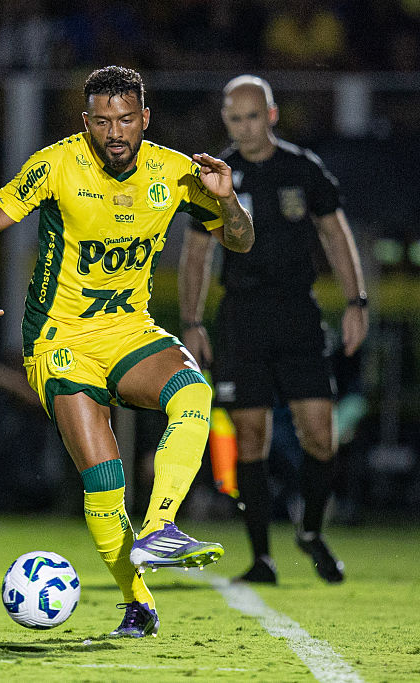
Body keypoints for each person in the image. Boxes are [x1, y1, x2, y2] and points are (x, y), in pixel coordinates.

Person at [0, 65, 254, 638]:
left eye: (125, 119)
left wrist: (229, 201)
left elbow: (241, 240)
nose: (115, 132)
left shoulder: (176, 172)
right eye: (102, 121)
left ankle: (161, 526)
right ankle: (137, 602)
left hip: (128, 331)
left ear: (145, 118)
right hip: (60, 339)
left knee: (193, 389)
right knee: (105, 481)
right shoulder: (56, 164)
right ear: (86, 123)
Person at [178, 75, 368, 585]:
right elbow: (197, 252)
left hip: (298, 314)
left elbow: (335, 233)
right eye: (234, 118)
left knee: (320, 436)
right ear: (226, 120)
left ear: (272, 115)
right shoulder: (217, 176)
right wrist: (193, 321)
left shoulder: (302, 169)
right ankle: (262, 557)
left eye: (252, 116)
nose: (243, 127)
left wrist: (356, 302)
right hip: (241, 318)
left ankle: (309, 530)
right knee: (250, 439)